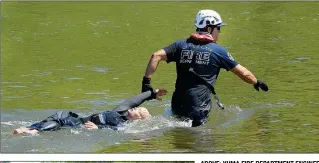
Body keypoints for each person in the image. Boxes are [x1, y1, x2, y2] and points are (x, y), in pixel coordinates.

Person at [141, 9, 269, 127]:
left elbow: (155, 56)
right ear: (209, 28)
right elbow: (244, 74)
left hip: (176, 105)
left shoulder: (179, 45)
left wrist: (146, 84)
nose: (219, 31)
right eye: (218, 28)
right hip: (198, 109)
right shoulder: (218, 51)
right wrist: (256, 82)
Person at [12, 89, 167, 134]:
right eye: (138, 107)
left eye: (139, 110)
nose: (135, 108)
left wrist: (98, 127)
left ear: (139, 119)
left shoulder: (124, 126)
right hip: (71, 116)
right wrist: (153, 93)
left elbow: (114, 130)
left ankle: (31, 130)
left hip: (73, 125)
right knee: (50, 122)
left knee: (53, 126)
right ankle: (31, 128)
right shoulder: (120, 112)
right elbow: (135, 99)